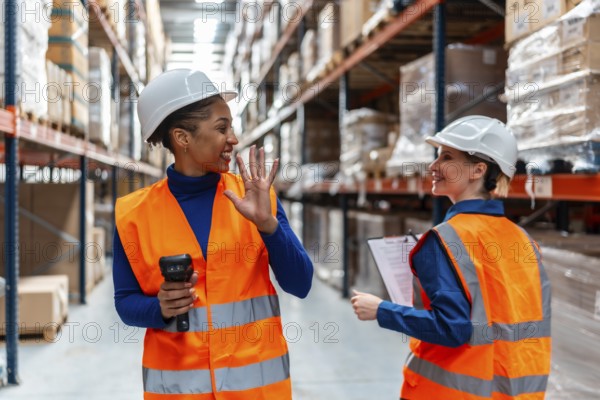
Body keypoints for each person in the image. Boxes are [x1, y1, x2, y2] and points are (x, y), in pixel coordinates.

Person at [113, 69, 313, 400]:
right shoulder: (133, 216)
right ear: (182, 138)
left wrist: (269, 227)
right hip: (179, 391)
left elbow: (300, 284)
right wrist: (159, 309)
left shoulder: (255, 198)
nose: (233, 138)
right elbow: (125, 303)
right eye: (222, 128)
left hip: (256, 390)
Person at [351, 116, 551, 399]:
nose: (433, 166)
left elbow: (453, 328)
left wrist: (381, 310)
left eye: (446, 157)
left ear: (477, 170)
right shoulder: (524, 241)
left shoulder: (445, 240)